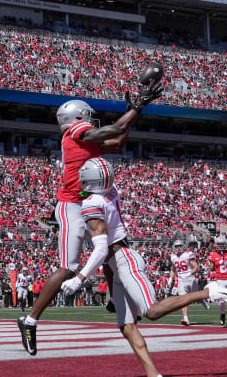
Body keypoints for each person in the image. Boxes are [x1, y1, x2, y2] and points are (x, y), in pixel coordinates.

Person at [45, 158, 227, 373]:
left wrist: (79, 278)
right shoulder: (110, 190)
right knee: (126, 326)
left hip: (124, 259)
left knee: (151, 311)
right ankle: (153, 373)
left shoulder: (91, 203)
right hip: (116, 263)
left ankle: (207, 291)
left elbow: (99, 249)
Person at [18, 76, 163, 349]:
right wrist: (137, 108)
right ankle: (30, 320)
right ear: (77, 117)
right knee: (69, 267)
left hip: (87, 203)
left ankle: (113, 299)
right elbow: (114, 129)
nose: (92, 121)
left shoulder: (84, 140)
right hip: (71, 206)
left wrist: (132, 115)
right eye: (88, 117)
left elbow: (118, 141)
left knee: (111, 249)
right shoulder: (74, 132)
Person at [169, 238, 209, 326]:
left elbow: (196, 267)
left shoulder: (188, 254)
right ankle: (186, 319)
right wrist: (170, 279)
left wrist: (188, 274)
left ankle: (201, 300)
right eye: (177, 246)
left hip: (190, 279)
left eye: (180, 246)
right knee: (183, 299)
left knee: (195, 298)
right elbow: (173, 269)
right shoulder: (173, 256)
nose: (179, 248)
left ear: (183, 246)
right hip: (181, 280)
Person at [207, 235, 227, 328]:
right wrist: (211, 263)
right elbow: (211, 269)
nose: (221, 246)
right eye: (219, 244)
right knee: (221, 302)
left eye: (223, 244)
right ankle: (222, 313)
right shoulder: (213, 255)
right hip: (220, 280)